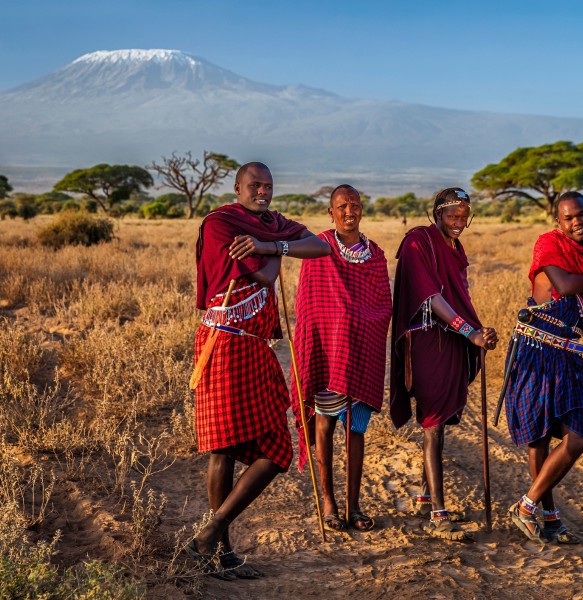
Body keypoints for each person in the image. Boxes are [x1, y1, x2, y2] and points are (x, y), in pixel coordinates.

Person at [190, 162, 330, 578]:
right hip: (224, 341)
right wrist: (277, 248)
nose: (263, 192)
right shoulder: (220, 224)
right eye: (255, 185)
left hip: (255, 345)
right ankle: (221, 551)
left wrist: (270, 244)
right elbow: (267, 277)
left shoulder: (272, 224)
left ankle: (210, 533)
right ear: (237, 188)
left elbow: (319, 246)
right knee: (225, 448)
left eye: (268, 186)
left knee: (276, 450)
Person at [502, 191, 583, 544]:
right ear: (558, 222)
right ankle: (549, 517)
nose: (576, 222)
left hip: (569, 352)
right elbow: (565, 285)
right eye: (568, 218)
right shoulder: (548, 243)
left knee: (578, 437)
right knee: (538, 438)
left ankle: (526, 506)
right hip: (537, 348)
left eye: (582, 215)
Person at [390, 187, 498, 541]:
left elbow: (458, 295)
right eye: (453, 215)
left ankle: (424, 497)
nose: (459, 222)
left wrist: (476, 331)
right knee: (433, 425)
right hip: (426, 339)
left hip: (449, 339)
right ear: (436, 213)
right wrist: (470, 332)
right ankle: (438, 515)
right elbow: (431, 296)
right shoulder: (417, 242)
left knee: (441, 423)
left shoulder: (455, 247)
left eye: (465, 217)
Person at [291, 184, 392, 533]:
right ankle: (329, 503)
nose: (349, 211)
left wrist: (359, 322)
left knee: (356, 431)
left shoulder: (375, 255)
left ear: (362, 209)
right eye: (342, 206)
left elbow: (383, 307)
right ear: (331, 213)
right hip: (328, 356)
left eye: (355, 205)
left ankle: (354, 505)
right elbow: (309, 307)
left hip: (363, 354)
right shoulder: (320, 248)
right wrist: (342, 321)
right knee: (325, 426)